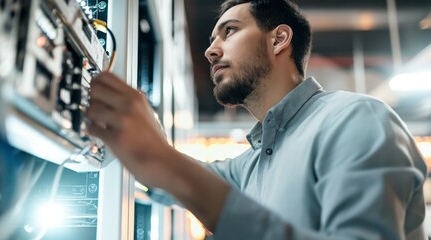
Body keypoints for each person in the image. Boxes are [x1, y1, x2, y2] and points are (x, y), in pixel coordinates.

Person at [85, 0, 428, 239]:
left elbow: (172, 171)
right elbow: (168, 178)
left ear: (279, 39)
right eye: (211, 40)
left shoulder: (355, 119)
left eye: (229, 31)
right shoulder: (248, 164)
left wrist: (164, 163)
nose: (211, 50)